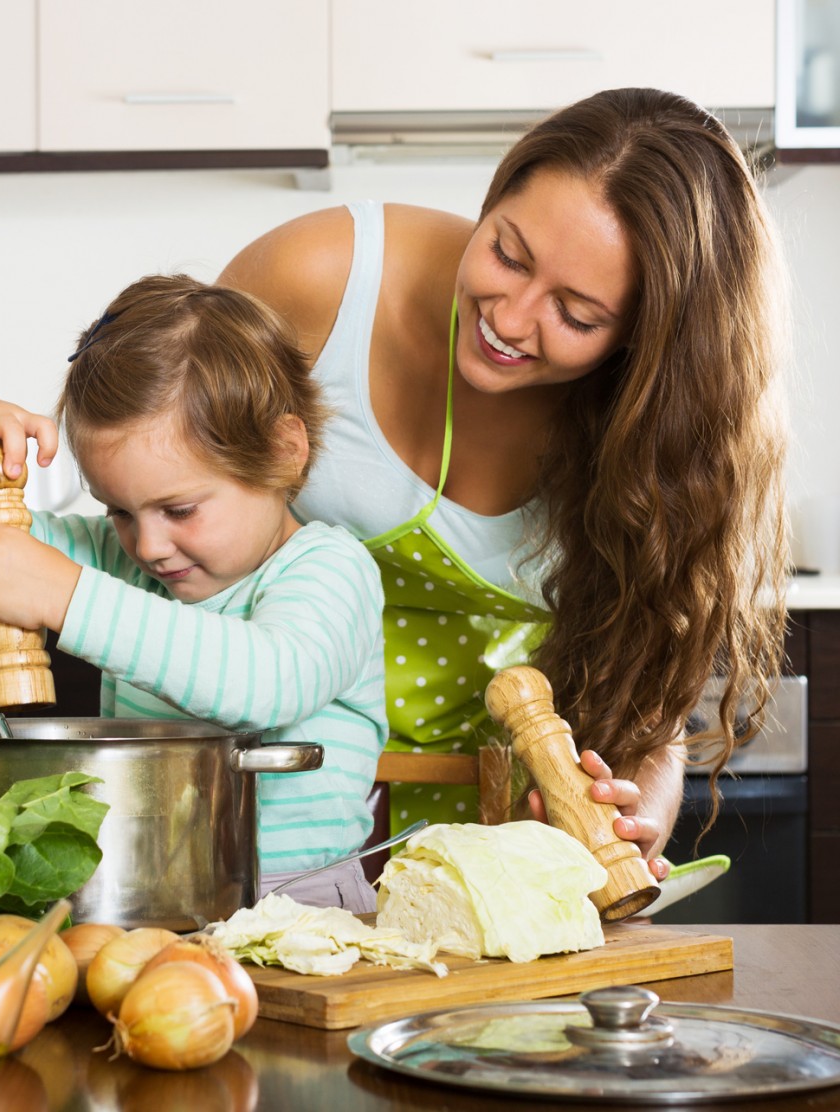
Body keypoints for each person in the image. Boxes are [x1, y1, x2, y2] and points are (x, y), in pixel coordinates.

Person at [214, 86, 790, 878]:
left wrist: (643, 801)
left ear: (648, 345)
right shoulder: (319, 279)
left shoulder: (666, 446)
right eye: (506, 254)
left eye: (578, 315)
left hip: (511, 853)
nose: (510, 320)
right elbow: (156, 473)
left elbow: (647, 705)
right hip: (279, 814)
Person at [0, 274, 389, 911]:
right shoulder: (120, 563)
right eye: (120, 511)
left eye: (179, 509)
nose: (149, 545)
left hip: (307, 910)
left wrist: (66, 596)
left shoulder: (329, 568)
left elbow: (271, 682)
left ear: (283, 451)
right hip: (142, 900)